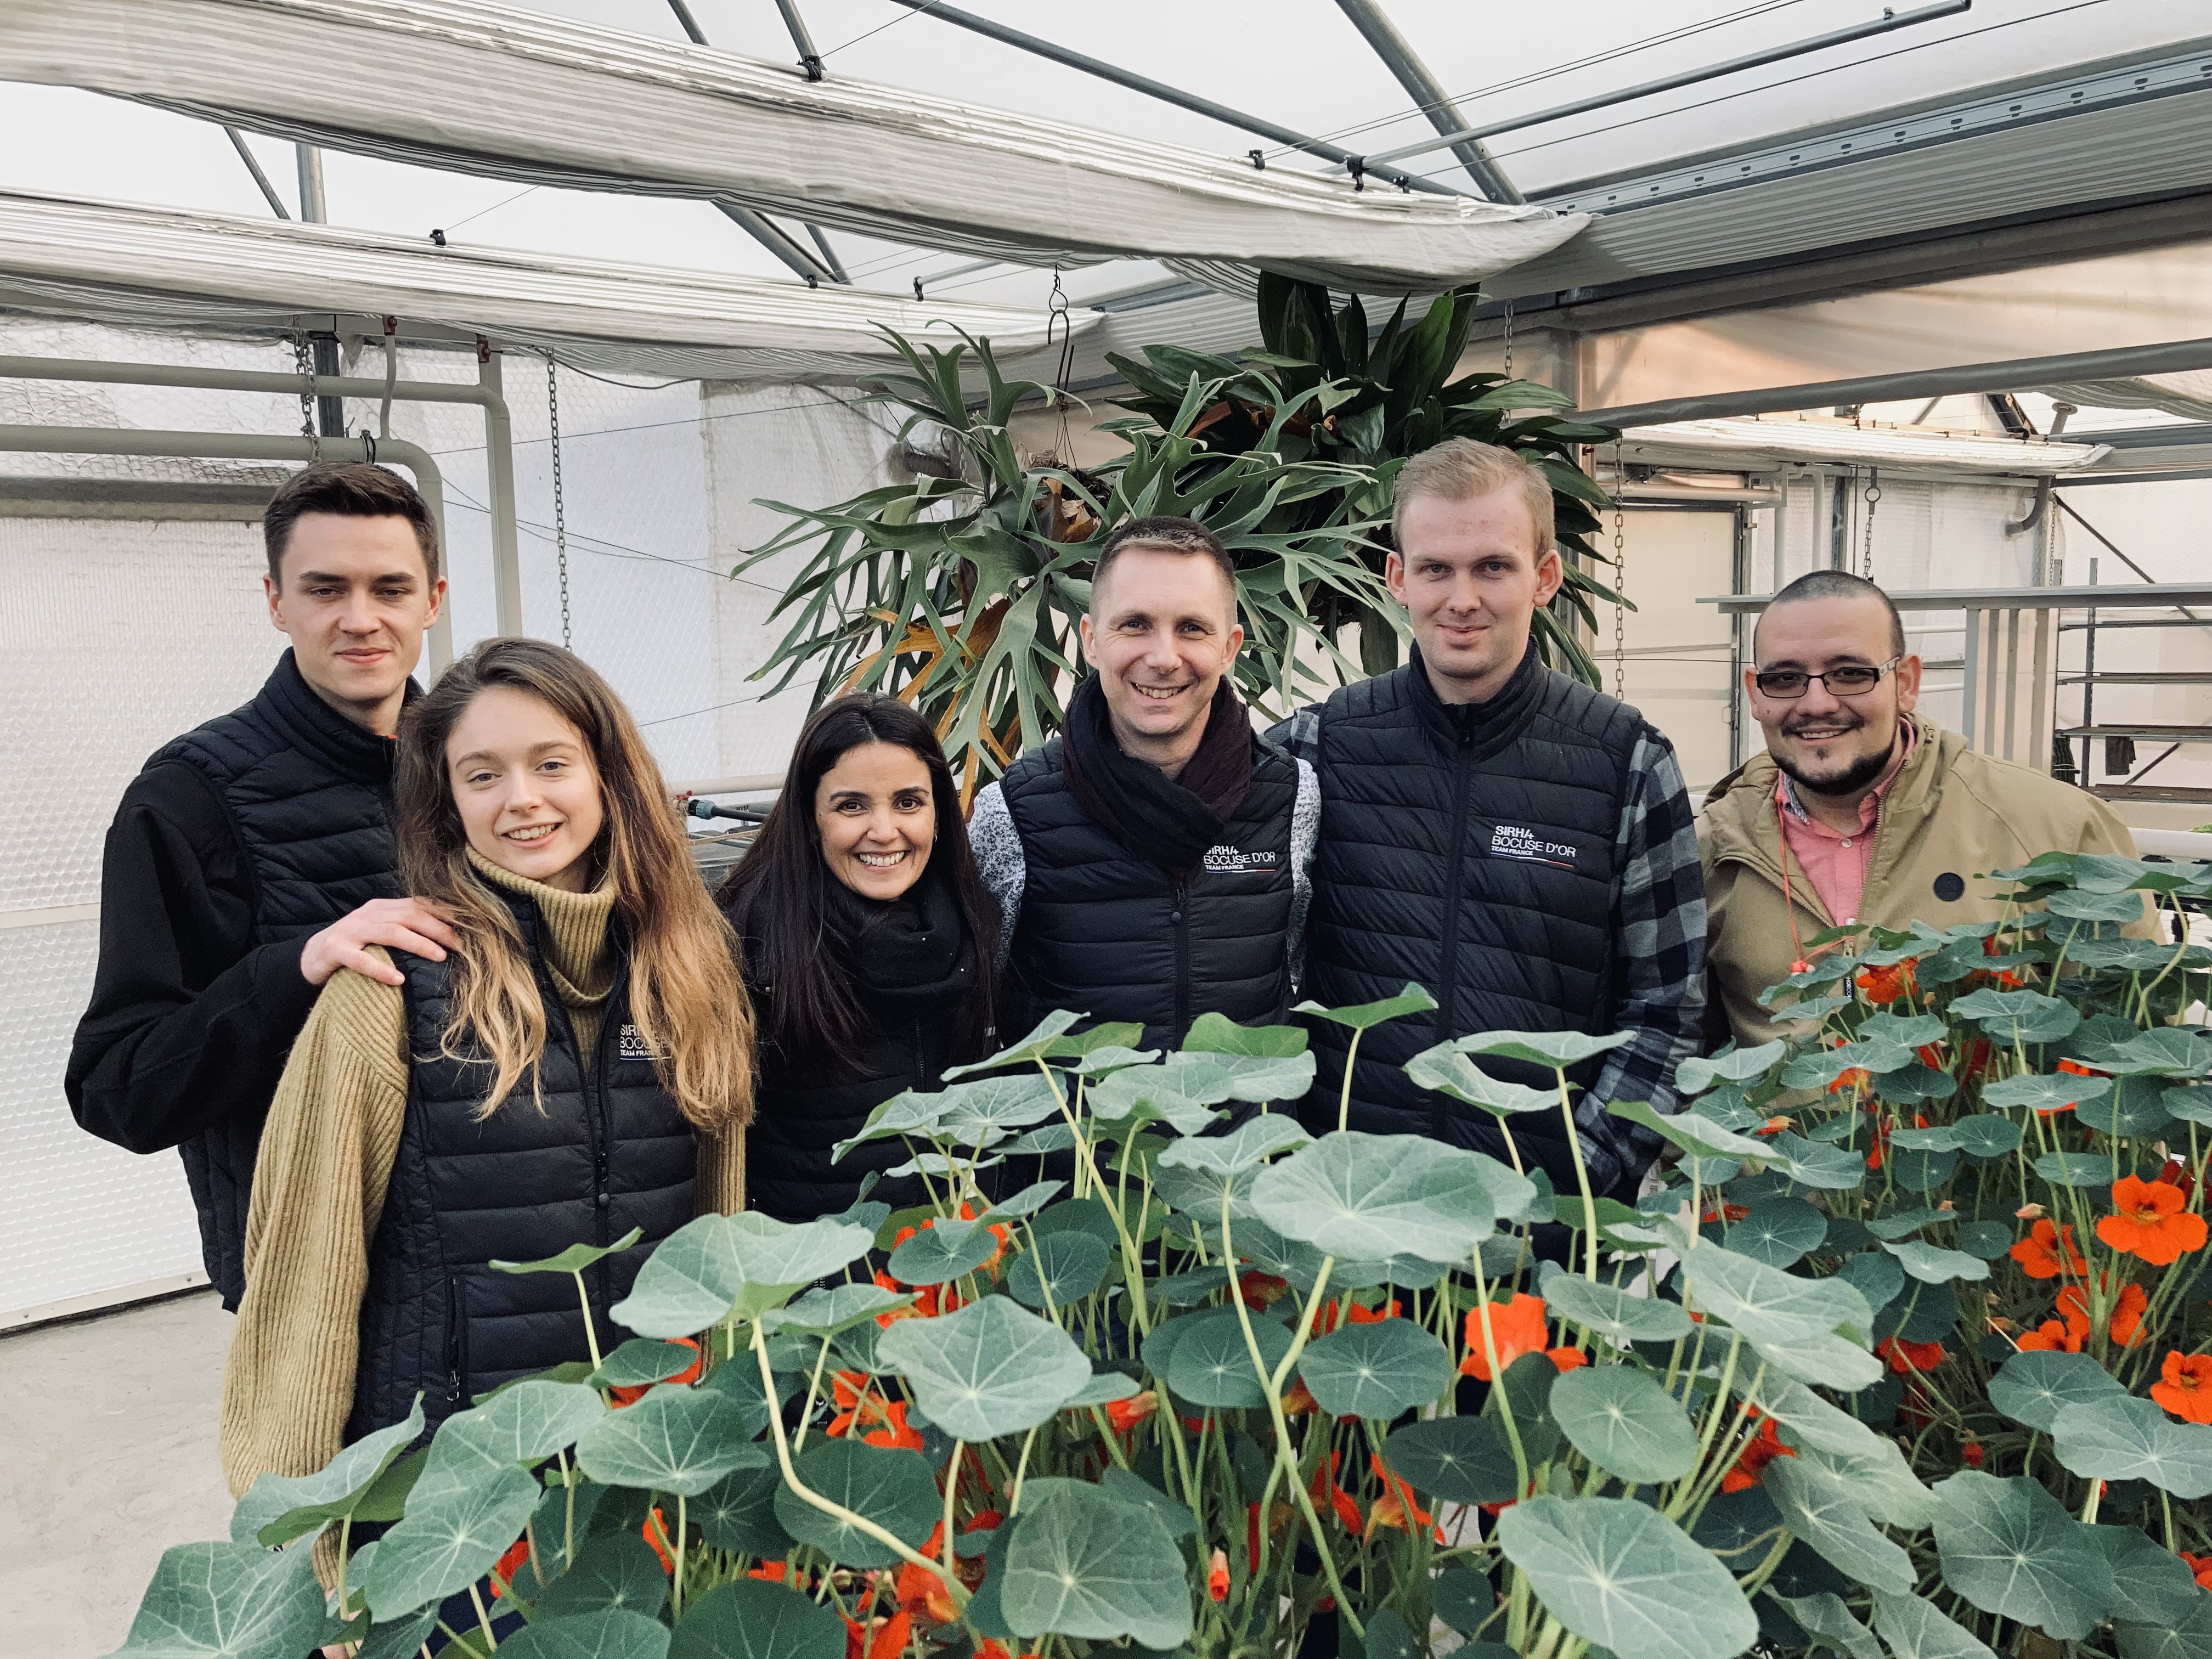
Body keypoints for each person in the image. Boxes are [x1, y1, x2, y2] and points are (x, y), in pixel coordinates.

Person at [222, 638, 752, 1507]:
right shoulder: (392, 983)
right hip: (452, 1485)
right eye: (482, 775)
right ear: (448, 804)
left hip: (649, 1463)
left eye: (552, 763)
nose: (523, 800)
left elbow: (719, 1225)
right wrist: (301, 1528)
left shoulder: (690, 969)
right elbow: (304, 1280)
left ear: (608, 777)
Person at [67, 461, 463, 1311]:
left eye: (389, 588)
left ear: (431, 599)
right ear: (277, 601)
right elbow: (117, 1090)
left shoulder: (489, 770)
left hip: (505, 1253)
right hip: (320, 1282)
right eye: (326, 589)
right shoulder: (189, 800)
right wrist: (294, 970)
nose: (361, 620)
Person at [1270, 438, 1705, 1200]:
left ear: (1544, 578)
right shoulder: (1318, 747)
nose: (1462, 598)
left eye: (1493, 567)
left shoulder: (1625, 762)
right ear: (1398, 579)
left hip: (1535, 1239)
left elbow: (1668, 1011)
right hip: (1347, 1219)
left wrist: (1582, 1176)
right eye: (1436, 568)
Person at [1701, 569, 2144, 1045]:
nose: (1817, 703)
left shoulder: (2057, 828)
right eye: (1785, 678)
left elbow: (2133, 1044)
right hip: (1782, 1125)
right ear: (1754, 692)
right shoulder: (1710, 848)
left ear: (1907, 682)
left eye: (1850, 674)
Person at [969, 516, 1317, 1051]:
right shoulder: (1013, 815)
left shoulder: (1292, 799)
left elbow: (1296, 972)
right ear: (1091, 639)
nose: (1162, 657)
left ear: (1229, 647)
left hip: (1245, 1134)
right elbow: (977, 1006)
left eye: (1192, 628)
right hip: (1079, 1134)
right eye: (1134, 624)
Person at [719, 694, 1000, 1223]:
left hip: (957, 1263)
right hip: (815, 1281)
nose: (885, 831)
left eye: (909, 803)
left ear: (939, 812)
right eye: (852, 806)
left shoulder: (976, 920)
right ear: (809, 818)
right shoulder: (747, 942)